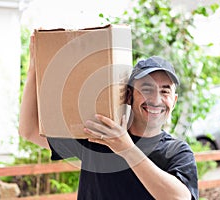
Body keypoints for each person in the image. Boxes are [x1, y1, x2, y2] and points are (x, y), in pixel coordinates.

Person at [19, 37, 198, 200]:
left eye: (165, 91)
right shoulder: (98, 139)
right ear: (128, 96)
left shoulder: (177, 152)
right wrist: (35, 67)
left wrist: (126, 148)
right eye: (146, 89)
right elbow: (30, 131)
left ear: (173, 101)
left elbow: (180, 198)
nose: (156, 99)